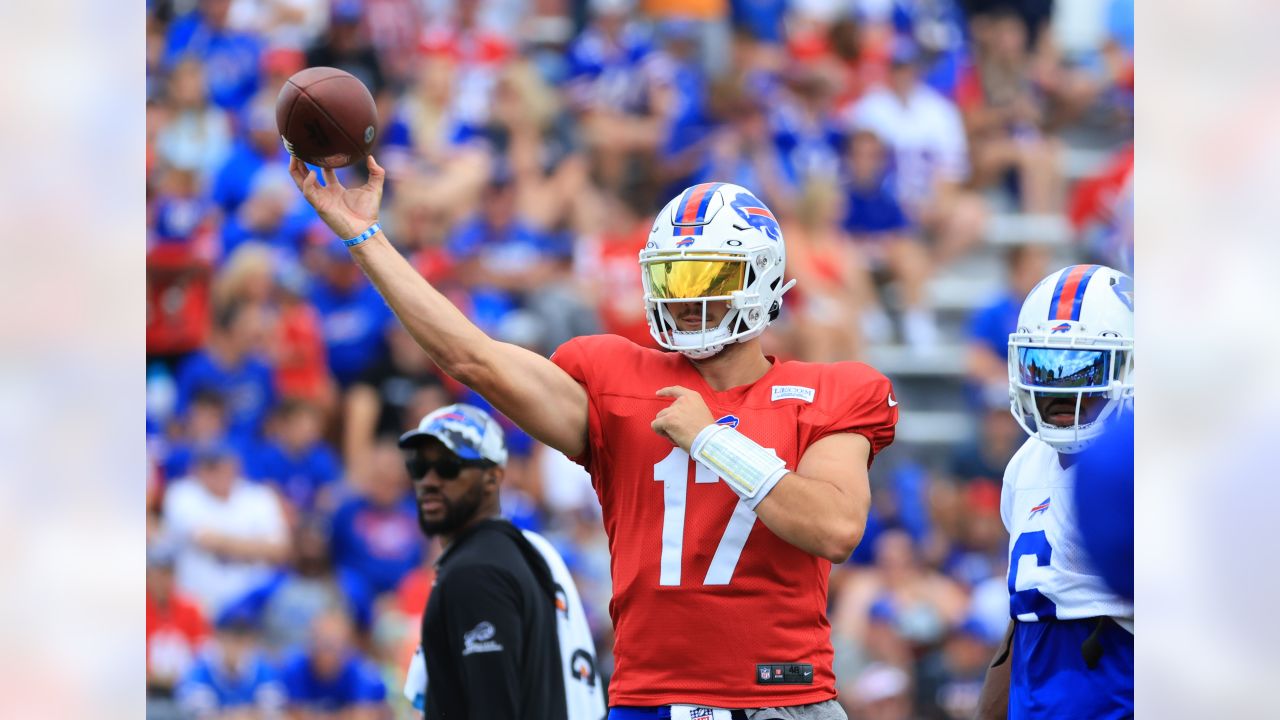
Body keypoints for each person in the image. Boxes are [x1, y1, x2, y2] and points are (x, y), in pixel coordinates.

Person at [290, 157, 897, 717]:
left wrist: (713, 441)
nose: (685, 300)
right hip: (647, 700)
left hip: (780, 701)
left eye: (706, 276)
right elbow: (470, 357)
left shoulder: (829, 390)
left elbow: (834, 528)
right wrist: (363, 236)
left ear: (761, 279)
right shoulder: (619, 378)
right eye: (672, 278)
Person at [976, 265, 1135, 719]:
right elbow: (1023, 618)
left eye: (1082, 367)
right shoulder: (1024, 463)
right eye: (1043, 366)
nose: (1059, 389)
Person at [397, 403, 605, 719]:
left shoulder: (476, 572)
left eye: (448, 466)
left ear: (493, 477)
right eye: (419, 466)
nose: (429, 480)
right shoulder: (524, 551)